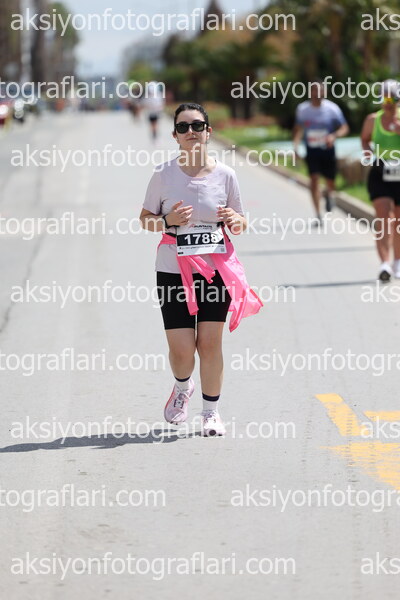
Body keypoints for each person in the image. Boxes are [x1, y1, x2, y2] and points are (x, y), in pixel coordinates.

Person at [140, 102, 262, 436]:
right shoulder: (163, 175)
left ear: (208, 132)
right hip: (172, 270)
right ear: (175, 136)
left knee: (209, 344)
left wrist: (235, 220)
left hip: (215, 271)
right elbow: (145, 220)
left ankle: (211, 413)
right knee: (182, 351)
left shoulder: (226, 175)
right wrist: (167, 220)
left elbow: (240, 222)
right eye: (183, 127)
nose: (190, 132)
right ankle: (183, 387)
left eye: (197, 126)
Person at [361, 79, 400, 281]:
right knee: (385, 217)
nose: (387, 104)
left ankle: (398, 262)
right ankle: (384, 263)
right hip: (381, 171)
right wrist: (367, 152)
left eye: (391, 100)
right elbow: (365, 139)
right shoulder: (372, 120)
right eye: (384, 100)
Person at [293, 80, 349, 221]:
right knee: (314, 179)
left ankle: (330, 194)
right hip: (312, 150)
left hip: (328, 149)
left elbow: (344, 128)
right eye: (314, 90)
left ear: (325, 92)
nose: (317, 94)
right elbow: (298, 129)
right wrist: (295, 148)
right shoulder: (303, 109)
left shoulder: (332, 108)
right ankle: (318, 213)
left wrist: (334, 136)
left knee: (330, 180)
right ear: (310, 92)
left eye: (320, 91)